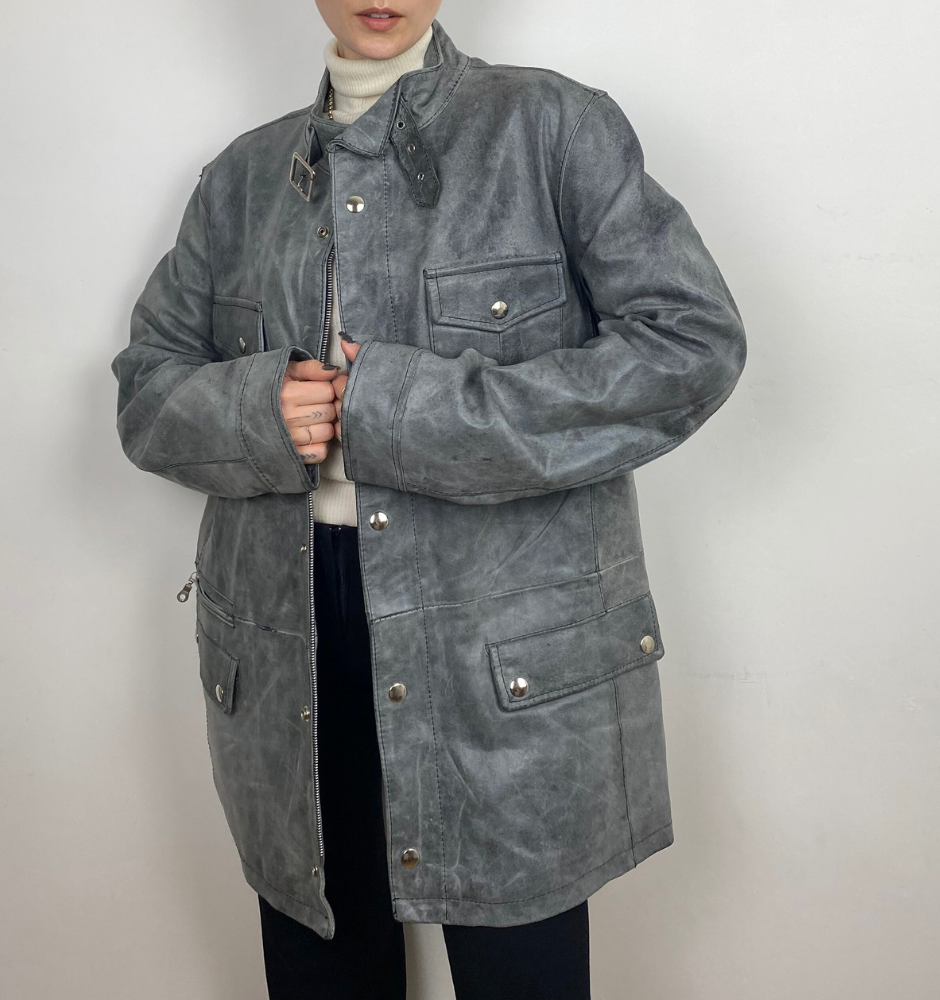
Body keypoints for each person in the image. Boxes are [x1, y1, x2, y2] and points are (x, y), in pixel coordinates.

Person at [111, 2, 747, 997]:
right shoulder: (240, 178)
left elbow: (688, 346)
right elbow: (146, 391)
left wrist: (404, 408)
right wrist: (255, 411)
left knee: (518, 969)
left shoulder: (548, 127)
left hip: (497, 634)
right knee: (323, 961)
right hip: (289, 633)